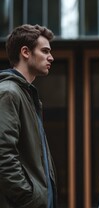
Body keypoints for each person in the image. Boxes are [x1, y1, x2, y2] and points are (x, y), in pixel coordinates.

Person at [0, 24, 57, 208]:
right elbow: (3, 153)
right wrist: (28, 197)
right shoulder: (9, 92)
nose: (51, 57)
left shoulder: (27, 96)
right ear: (25, 52)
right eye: (45, 51)